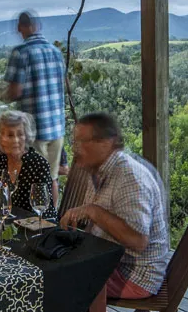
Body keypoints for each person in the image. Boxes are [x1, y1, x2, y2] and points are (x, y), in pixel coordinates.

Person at [60, 112, 169, 300]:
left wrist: (93, 211)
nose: (75, 149)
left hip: (134, 275)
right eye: (74, 142)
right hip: (108, 259)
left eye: (82, 142)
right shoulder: (97, 169)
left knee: (59, 281)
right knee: (53, 262)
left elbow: (138, 241)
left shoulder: (129, 177)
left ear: (106, 143)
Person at [2, 11, 65, 203]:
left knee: (34, 180)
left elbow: (15, 92)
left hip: (34, 129)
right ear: (37, 26)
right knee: (52, 179)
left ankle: (35, 218)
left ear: (20, 28)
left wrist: (2, 94)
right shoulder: (56, 52)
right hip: (57, 128)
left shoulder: (21, 53)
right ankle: (51, 217)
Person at [0, 110, 54, 217]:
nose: (16, 140)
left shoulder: (39, 164)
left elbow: (44, 210)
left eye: (20, 134)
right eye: (10, 135)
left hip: (36, 223)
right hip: (5, 222)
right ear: (1, 138)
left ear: (26, 136)